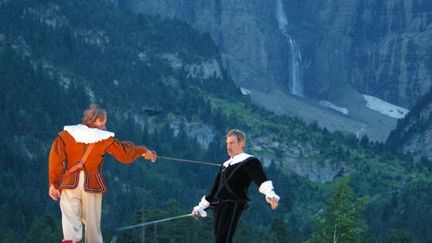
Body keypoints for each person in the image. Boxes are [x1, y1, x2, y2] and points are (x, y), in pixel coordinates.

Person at [48, 104, 157, 243]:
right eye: (104, 122)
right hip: (91, 185)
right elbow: (125, 154)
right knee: (93, 228)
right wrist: (142, 151)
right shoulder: (104, 138)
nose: (105, 126)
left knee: (70, 227)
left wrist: (54, 184)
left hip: (70, 184)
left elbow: (55, 159)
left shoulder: (65, 135)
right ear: (97, 121)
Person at [192, 129, 280, 243]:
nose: (228, 147)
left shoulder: (249, 161)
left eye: (232, 143)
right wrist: (201, 207)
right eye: (227, 143)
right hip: (219, 205)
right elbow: (215, 189)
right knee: (219, 239)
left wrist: (270, 194)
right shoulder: (225, 165)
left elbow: (261, 180)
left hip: (233, 203)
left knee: (224, 238)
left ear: (241, 143)